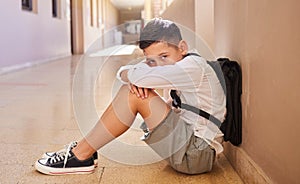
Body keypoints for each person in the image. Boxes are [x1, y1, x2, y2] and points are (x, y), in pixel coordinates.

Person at [35, 18, 226, 175]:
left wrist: (137, 78)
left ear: (182, 47)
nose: (159, 65)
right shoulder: (181, 64)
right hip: (191, 147)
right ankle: (83, 151)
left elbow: (132, 74)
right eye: (152, 60)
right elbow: (127, 73)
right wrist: (136, 78)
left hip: (197, 155)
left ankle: (81, 155)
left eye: (164, 56)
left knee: (132, 94)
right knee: (134, 90)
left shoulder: (192, 67)